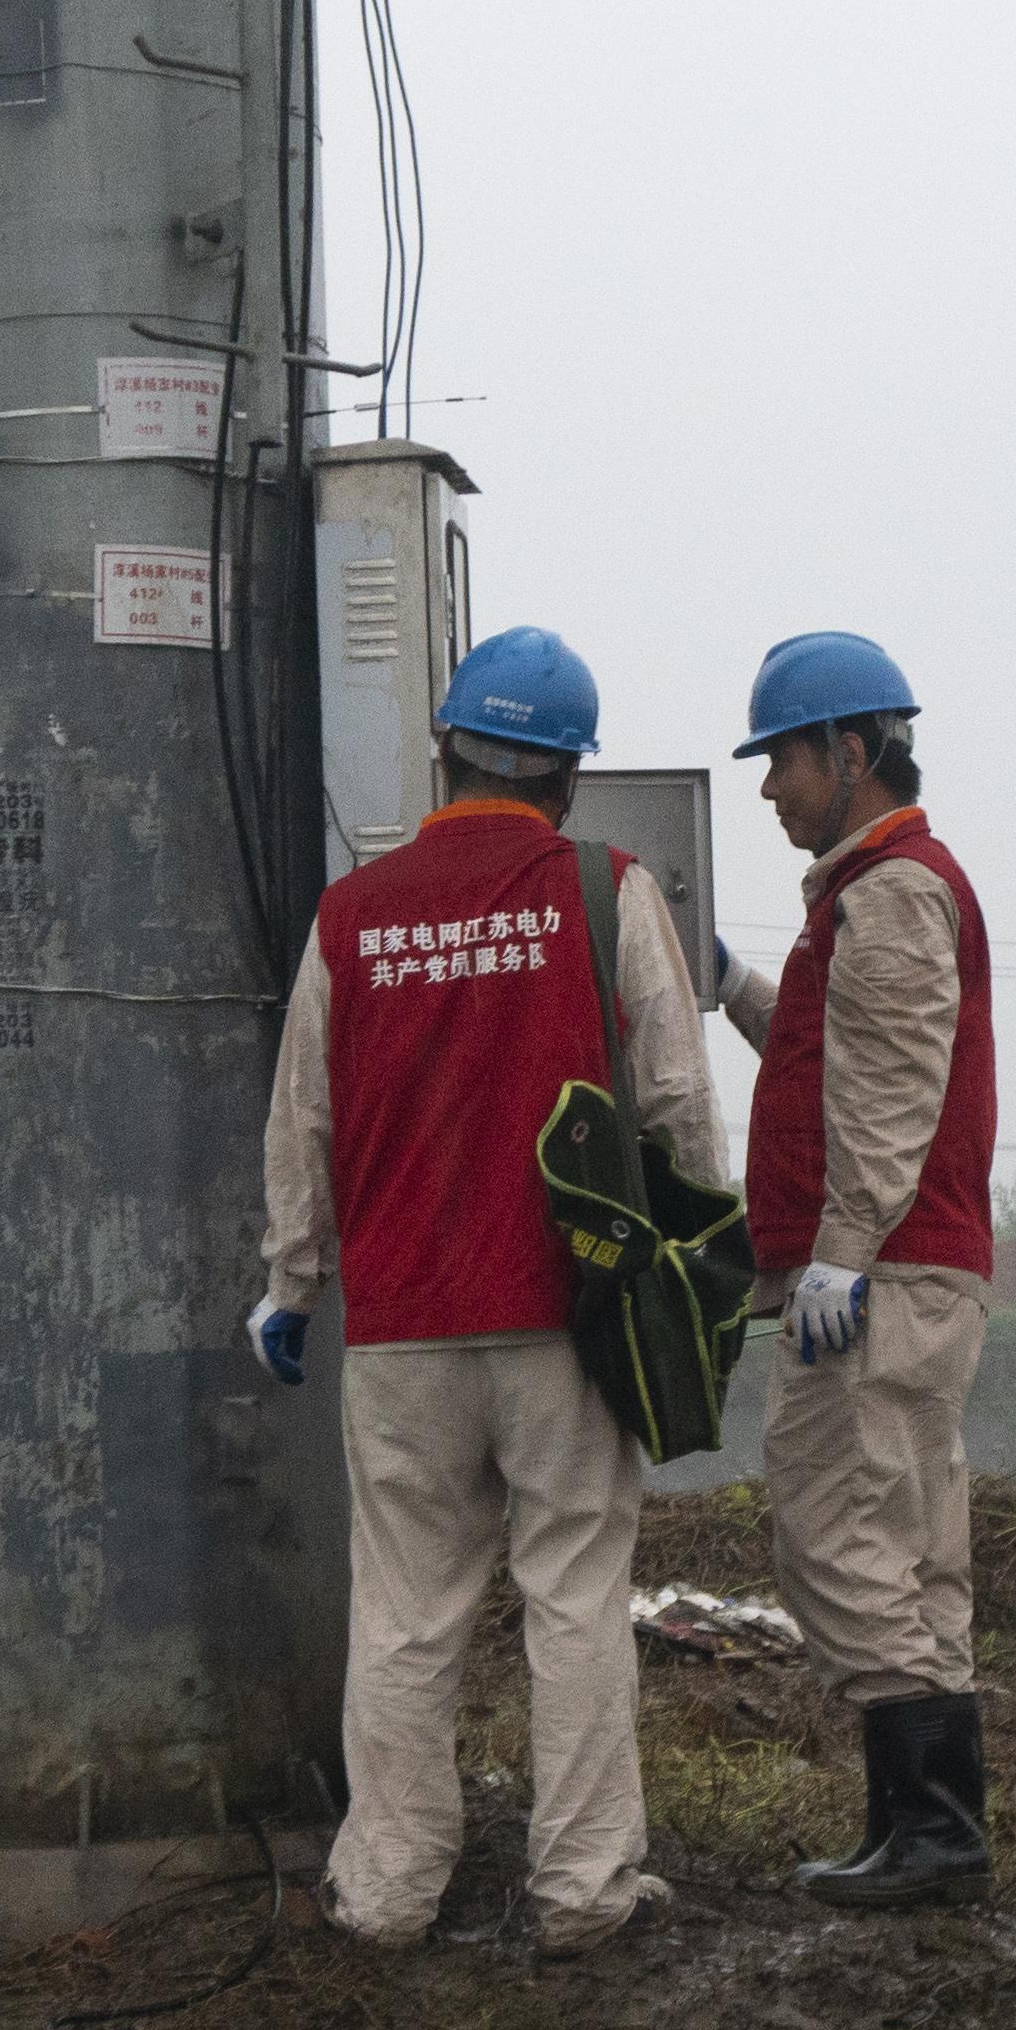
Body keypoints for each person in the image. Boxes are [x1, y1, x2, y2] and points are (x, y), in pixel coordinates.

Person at [253, 623, 731, 1956]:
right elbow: (680, 1099)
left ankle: (391, 1887)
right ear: (567, 776)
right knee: (575, 1591)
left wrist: (293, 1282)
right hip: (564, 1320)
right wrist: (689, 1253)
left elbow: (303, 1115)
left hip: (400, 1325)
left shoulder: (350, 915)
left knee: (406, 1608)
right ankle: (582, 1889)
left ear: (444, 750)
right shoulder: (606, 886)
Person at [711, 631, 1000, 1911]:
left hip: (875, 1282)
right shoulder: (876, 894)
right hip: (916, 1271)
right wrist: (728, 987)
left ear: (852, 752)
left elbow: (887, 1090)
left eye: (781, 758)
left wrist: (837, 1260)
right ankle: (924, 1833)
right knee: (914, 1547)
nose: (769, 787)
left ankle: (928, 1831)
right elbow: (830, 1055)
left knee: (838, 1530)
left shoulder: (887, 894)